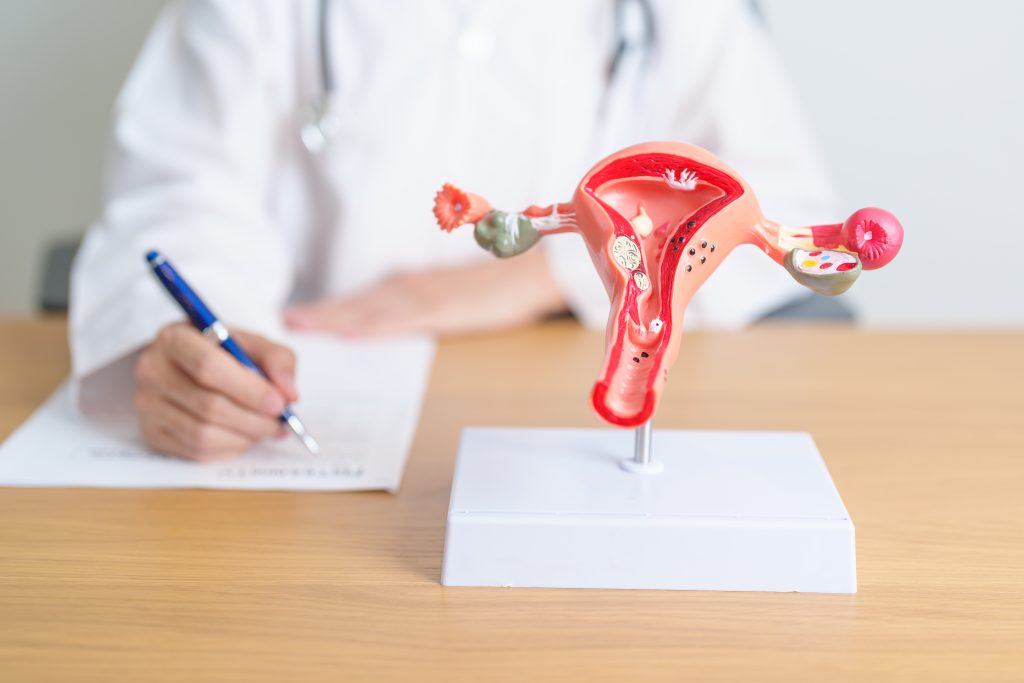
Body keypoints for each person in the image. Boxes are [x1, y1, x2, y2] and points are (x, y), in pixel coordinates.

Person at [70, 0, 837, 461]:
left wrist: (547, 275)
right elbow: (181, 188)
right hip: (313, 383)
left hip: (564, 398)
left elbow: (780, 207)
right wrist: (197, 340)